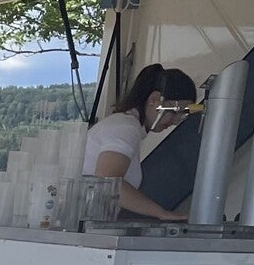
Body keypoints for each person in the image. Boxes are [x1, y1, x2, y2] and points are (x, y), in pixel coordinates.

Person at [85, 63, 198, 220]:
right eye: (175, 112)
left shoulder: (125, 125)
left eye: (183, 115)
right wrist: (162, 213)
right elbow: (108, 182)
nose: (176, 121)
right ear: (154, 100)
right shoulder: (126, 127)